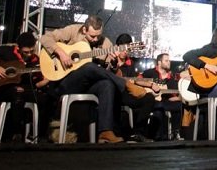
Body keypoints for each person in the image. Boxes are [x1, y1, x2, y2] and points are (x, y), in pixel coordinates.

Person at [40, 15, 143, 143]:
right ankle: (126, 85)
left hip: (87, 87)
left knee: (107, 84)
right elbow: (45, 38)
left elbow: (107, 72)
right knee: (88, 66)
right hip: (65, 83)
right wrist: (60, 53)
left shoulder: (106, 43)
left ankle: (105, 132)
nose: (95, 39)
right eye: (92, 36)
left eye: (98, 36)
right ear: (84, 30)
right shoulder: (72, 30)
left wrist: (115, 63)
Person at [0, 32, 53, 142]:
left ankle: (40, 135)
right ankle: (15, 134)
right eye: (26, 52)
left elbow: (37, 84)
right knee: (17, 92)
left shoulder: (35, 60)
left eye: (32, 51)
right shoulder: (7, 51)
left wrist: (49, 78)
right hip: (1, 89)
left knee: (45, 98)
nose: (29, 54)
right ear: (19, 48)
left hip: (24, 90)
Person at [108, 33, 155, 142]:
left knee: (149, 98)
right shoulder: (109, 58)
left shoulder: (131, 63)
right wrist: (115, 65)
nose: (125, 51)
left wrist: (152, 84)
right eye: (122, 48)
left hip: (127, 94)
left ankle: (138, 133)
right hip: (114, 93)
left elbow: (136, 79)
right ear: (117, 47)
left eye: (127, 49)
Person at [140, 53, 182, 140]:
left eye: (169, 60)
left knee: (179, 105)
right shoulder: (150, 72)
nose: (169, 62)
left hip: (166, 102)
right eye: (166, 60)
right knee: (158, 107)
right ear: (159, 62)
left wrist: (179, 97)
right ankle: (157, 136)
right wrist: (151, 85)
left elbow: (175, 94)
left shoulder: (172, 77)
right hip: (152, 101)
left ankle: (175, 132)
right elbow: (137, 80)